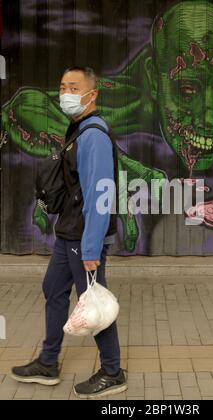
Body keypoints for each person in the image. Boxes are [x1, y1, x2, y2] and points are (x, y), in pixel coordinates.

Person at [11, 67, 127, 399]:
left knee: (93, 302)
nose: (66, 93)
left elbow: (100, 195)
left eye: (73, 87)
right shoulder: (77, 129)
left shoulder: (93, 135)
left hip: (83, 237)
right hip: (69, 232)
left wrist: (91, 247)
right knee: (54, 288)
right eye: (63, 86)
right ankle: (48, 362)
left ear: (92, 95)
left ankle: (112, 371)